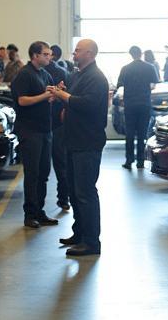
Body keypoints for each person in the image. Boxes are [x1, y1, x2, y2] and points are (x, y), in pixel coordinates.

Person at [48, 39, 108, 257]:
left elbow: (87, 104)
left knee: (85, 193)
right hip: (74, 141)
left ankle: (92, 242)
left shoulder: (96, 78)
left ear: (90, 53)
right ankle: (79, 233)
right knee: (74, 192)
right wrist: (62, 95)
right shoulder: (78, 74)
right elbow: (72, 101)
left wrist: (64, 95)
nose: (74, 53)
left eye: (79, 51)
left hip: (87, 143)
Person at [12, 41, 58, 229]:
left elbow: (49, 97)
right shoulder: (24, 75)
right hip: (29, 130)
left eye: (49, 54)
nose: (49, 57)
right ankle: (29, 214)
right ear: (35, 55)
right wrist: (45, 96)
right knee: (32, 173)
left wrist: (56, 93)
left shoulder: (45, 74)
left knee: (44, 173)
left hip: (45, 129)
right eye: (46, 54)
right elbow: (22, 101)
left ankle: (40, 211)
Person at [117, 45, 159, 170]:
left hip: (130, 104)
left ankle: (129, 161)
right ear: (141, 54)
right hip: (145, 103)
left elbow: (120, 85)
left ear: (131, 54)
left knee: (129, 133)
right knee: (142, 133)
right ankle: (141, 161)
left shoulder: (125, 68)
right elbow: (154, 84)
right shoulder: (149, 67)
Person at [46, 50, 72, 214]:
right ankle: (64, 199)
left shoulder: (41, 73)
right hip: (58, 123)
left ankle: (36, 209)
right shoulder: (63, 72)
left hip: (45, 124)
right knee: (61, 164)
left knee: (41, 169)